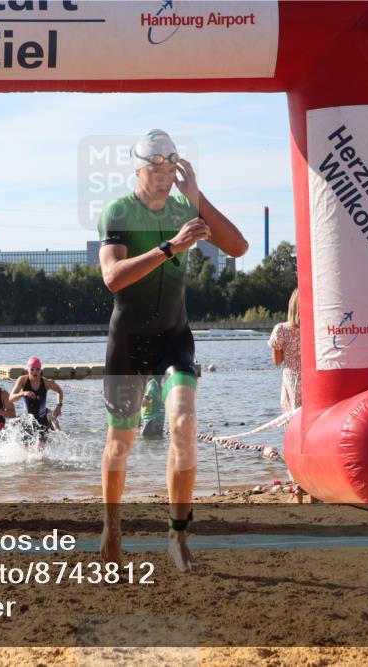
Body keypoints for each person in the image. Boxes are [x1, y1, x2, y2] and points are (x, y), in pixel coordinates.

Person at [97, 129, 248, 573]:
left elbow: (238, 246)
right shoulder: (119, 210)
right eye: (156, 171)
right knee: (120, 442)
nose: (164, 179)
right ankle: (112, 526)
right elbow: (113, 278)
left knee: (182, 422)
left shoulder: (185, 206)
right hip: (128, 341)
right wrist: (171, 247)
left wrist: (197, 197)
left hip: (174, 337)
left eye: (170, 171)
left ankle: (177, 536)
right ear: (137, 170)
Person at [8, 357, 63, 448]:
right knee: (26, 452)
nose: (35, 372)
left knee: (39, 451)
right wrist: (23, 393)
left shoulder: (46, 383)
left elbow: (60, 391)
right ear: (27, 369)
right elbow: (11, 398)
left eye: (37, 369)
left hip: (42, 420)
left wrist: (59, 405)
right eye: (32, 369)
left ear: (40, 370)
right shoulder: (22, 380)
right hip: (28, 420)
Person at [267, 287, 302, 414]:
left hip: (292, 381)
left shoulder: (281, 329)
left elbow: (277, 361)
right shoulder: (314, 329)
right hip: (312, 381)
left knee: (291, 422)